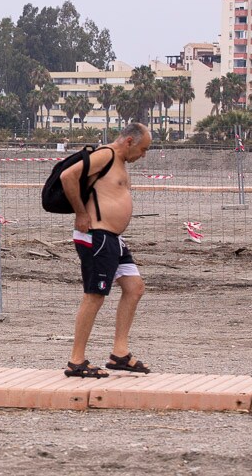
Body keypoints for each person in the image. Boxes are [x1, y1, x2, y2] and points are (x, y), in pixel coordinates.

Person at [61, 121, 153, 378]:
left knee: (134, 287)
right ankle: (76, 361)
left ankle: (119, 353)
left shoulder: (119, 162)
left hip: (113, 239)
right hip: (96, 236)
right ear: (129, 142)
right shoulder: (106, 155)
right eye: (143, 149)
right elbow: (67, 176)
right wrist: (80, 213)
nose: (143, 155)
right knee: (95, 295)